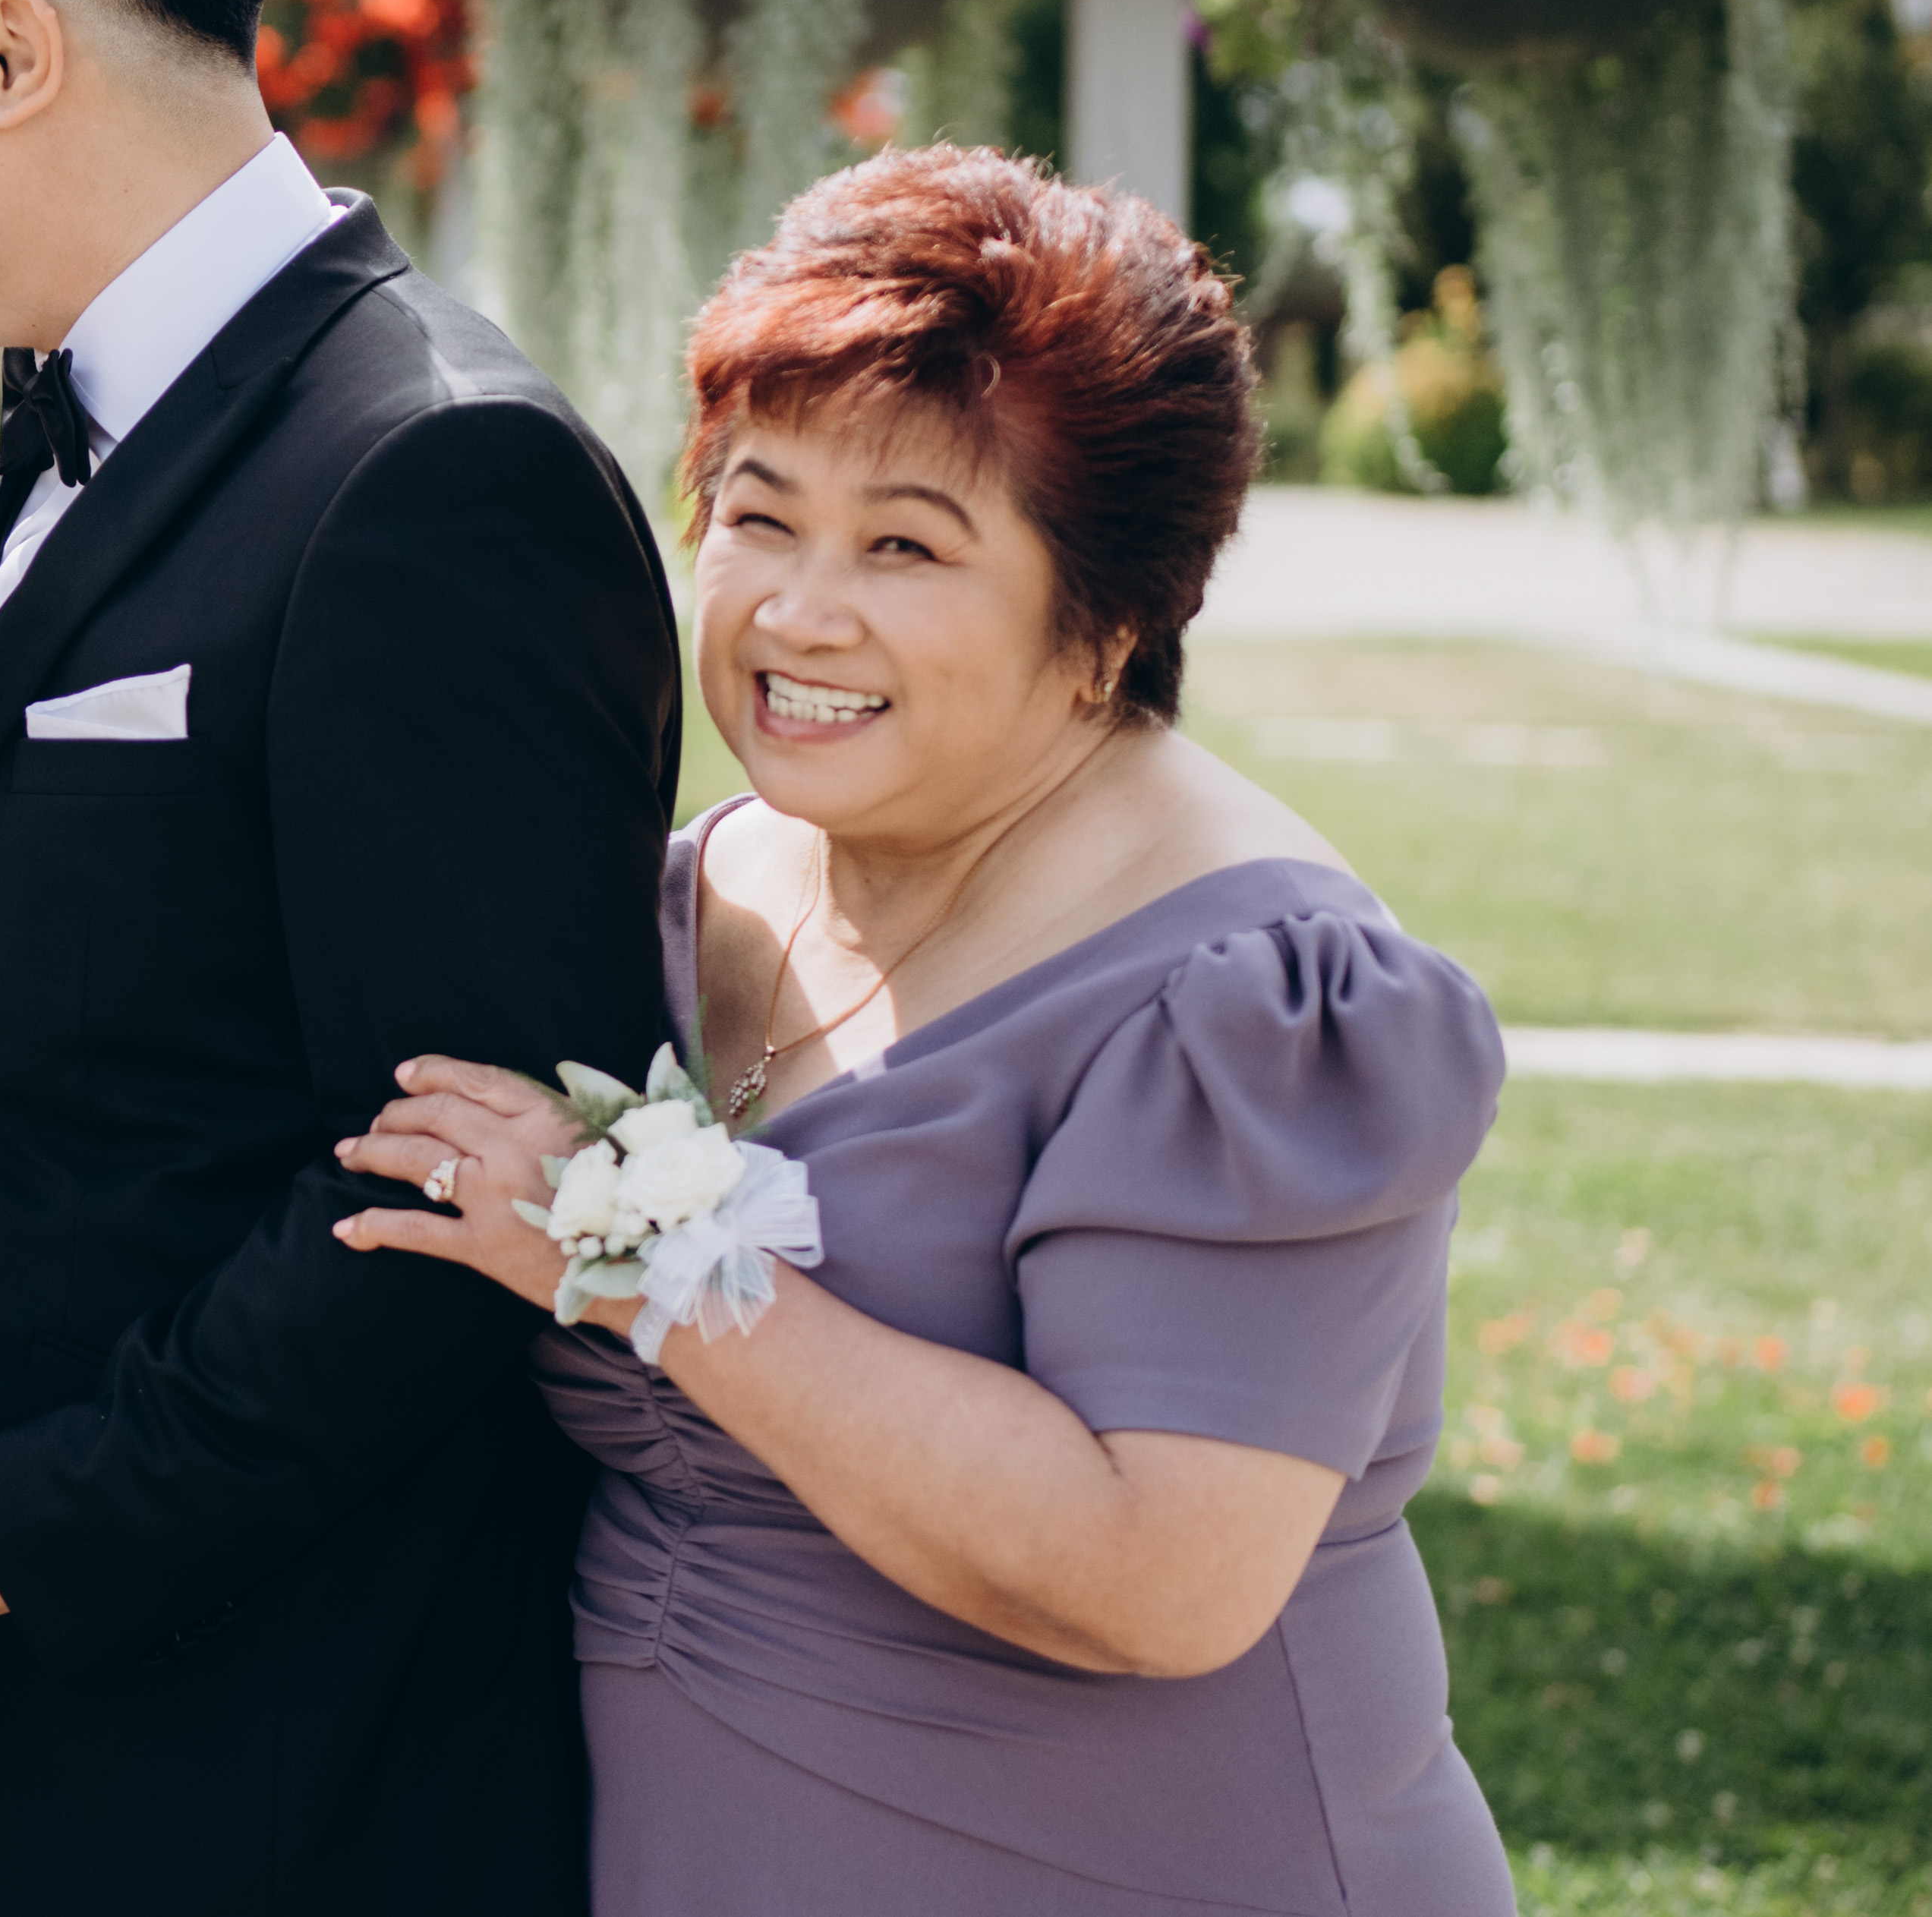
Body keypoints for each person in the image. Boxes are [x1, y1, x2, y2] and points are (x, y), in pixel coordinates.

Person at [339, 145, 1518, 1917]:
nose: (797, 612)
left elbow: (1156, 1577)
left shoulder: (1252, 997)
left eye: (903, 544)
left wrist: (630, 1251)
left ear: (1108, 614)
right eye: (757, 515)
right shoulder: (672, 897)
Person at [0, 0, 683, 1910]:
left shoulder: (434, 473)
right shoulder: (84, 406)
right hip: (79, 1717)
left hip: (303, 1752)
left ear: (9, 54)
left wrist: (18, 1524)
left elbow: (455, 1195)